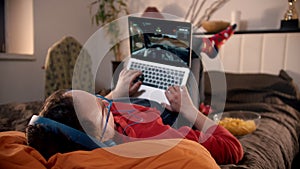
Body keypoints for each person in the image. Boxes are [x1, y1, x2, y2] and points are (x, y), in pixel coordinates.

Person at [26, 69, 243, 164]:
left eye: (95, 95)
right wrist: (190, 110)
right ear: (100, 140)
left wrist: (115, 94)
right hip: (173, 109)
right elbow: (232, 148)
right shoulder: (156, 138)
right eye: (103, 107)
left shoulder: (97, 130)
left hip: (133, 102)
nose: (106, 101)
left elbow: (95, 114)